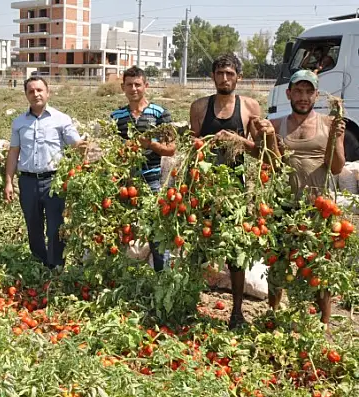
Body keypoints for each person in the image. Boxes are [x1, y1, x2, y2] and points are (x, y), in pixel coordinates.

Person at [189, 53, 265, 329]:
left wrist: (238, 140)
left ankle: (236, 312)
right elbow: (193, 149)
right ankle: (189, 300)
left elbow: (261, 152)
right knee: (198, 248)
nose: (224, 79)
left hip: (235, 191)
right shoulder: (199, 107)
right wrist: (205, 144)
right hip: (205, 189)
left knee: (235, 253)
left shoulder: (249, 107)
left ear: (238, 77)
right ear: (212, 76)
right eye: (220, 73)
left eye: (230, 74)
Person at [265, 69, 346, 324]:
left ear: (317, 95)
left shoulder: (330, 124)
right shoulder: (277, 125)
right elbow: (273, 165)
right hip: (284, 205)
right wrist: (266, 136)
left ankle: (324, 323)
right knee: (277, 264)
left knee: (319, 267)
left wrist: (334, 138)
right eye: (298, 91)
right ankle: (274, 315)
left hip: (318, 208)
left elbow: (336, 168)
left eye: (309, 91)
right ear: (288, 93)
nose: (303, 96)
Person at [4, 77, 87, 269]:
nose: (36, 94)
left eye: (40, 90)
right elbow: (13, 152)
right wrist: (8, 181)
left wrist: (84, 147)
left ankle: (56, 265)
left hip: (54, 181)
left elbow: (75, 144)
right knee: (33, 225)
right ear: (26, 95)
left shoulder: (61, 119)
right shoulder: (18, 122)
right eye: (31, 91)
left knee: (56, 227)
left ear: (48, 92)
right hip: (28, 181)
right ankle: (39, 262)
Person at [111, 66, 175, 272]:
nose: (134, 89)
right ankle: (120, 275)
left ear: (146, 86)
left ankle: (161, 276)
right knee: (120, 229)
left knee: (157, 231)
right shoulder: (116, 116)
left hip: (152, 181)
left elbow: (171, 149)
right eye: (129, 85)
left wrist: (152, 145)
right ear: (123, 87)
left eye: (138, 84)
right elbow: (111, 151)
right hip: (125, 183)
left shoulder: (159, 114)